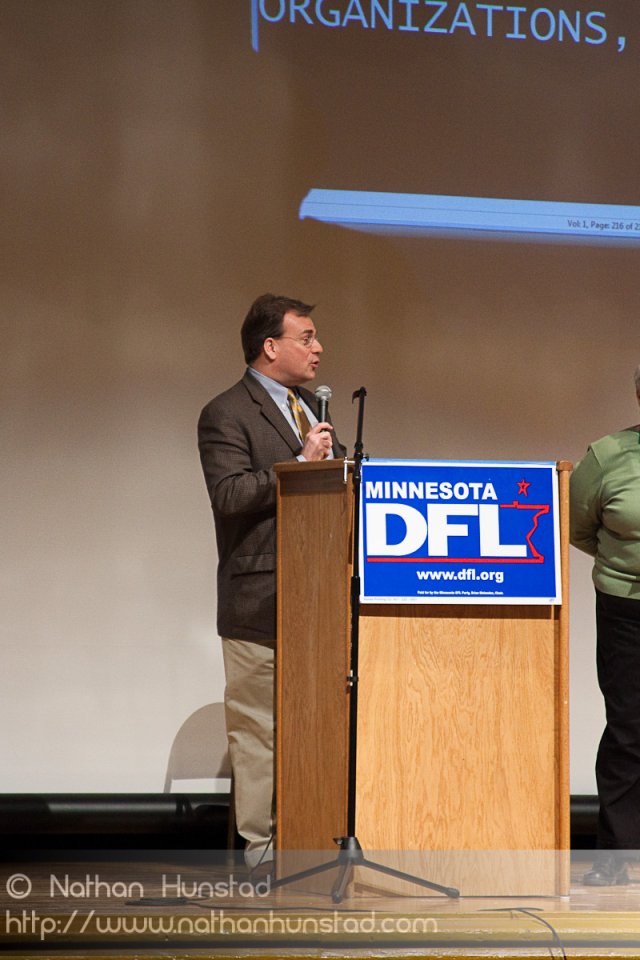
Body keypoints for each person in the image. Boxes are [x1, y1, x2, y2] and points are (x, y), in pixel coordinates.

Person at [197, 293, 345, 875]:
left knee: (315, 726)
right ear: (270, 346)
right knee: (259, 731)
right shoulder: (226, 412)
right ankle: (262, 854)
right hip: (259, 599)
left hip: (321, 599)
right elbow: (230, 495)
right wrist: (299, 466)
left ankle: (312, 839)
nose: (318, 348)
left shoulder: (311, 408)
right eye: (306, 337)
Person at [570, 364, 640, 886]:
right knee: (628, 730)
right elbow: (579, 528)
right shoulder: (607, 456)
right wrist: (623, 568)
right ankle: (616, 856)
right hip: (626, 610)